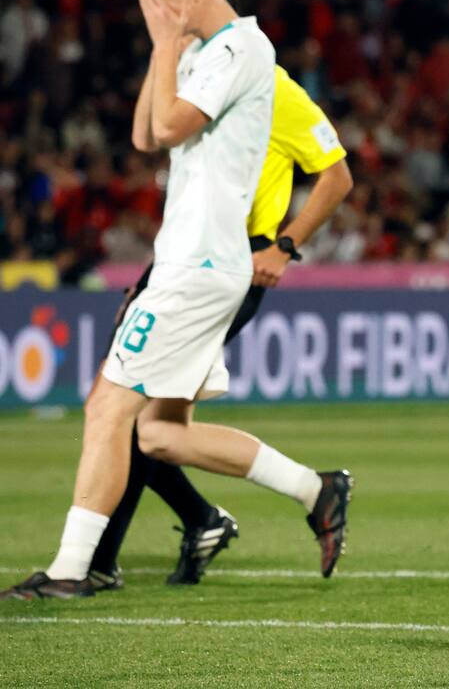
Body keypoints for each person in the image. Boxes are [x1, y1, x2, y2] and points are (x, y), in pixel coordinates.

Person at [1, 0, 343, 600]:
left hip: (200, 265)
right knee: (157, 434)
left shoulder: (242, 48)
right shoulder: (205, 52)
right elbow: (142, 133)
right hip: (198, 263)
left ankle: (74, 570)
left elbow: (164, 128)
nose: (151, 15)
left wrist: (165, 47)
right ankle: (316, 488)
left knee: (106, 407)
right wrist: (169, 47)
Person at [88, 63, 355, 591]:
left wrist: (284, 245)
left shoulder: (275, 89)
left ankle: (100, 561)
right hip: (185, 264)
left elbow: (337, 175)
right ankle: (219, 515)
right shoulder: (204, 85)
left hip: (232, 265)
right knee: (150, 426)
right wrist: (151, 276)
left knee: (129, 410)